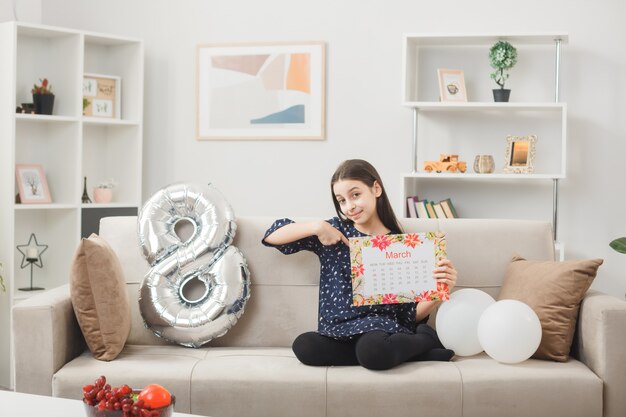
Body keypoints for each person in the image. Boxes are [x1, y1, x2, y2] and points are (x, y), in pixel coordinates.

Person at [262, 159, 457, 370]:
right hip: (337, 331)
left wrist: (440, 292)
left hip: (378, 330)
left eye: (355, 195)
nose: (349, 206)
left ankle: (422, 340)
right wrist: (317, 226)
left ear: (376, 188)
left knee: (374, 349)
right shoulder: (332, 232)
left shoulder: (401, 244)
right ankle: (414, 349)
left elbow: (409, 314)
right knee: (305, 346)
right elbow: (272, 236)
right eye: (341, 201)